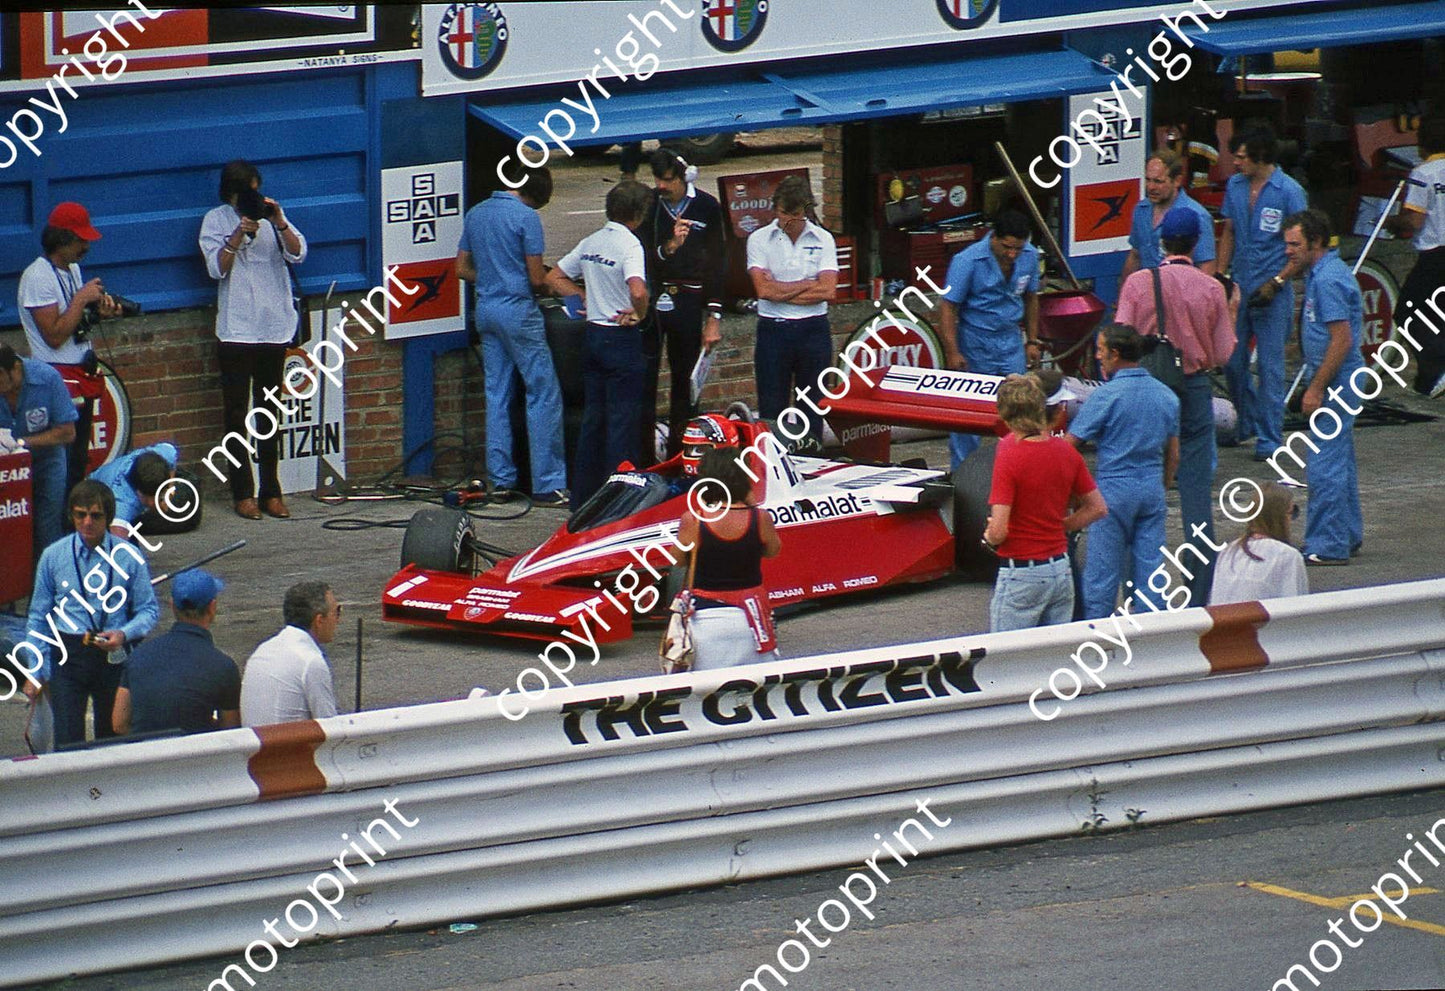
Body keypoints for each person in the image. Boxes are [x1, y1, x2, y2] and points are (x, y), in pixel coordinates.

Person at [1115, 207, 1238, 605]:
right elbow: (1222, 352)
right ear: (1197, 243)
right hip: (1194, 389)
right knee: (1197, 495)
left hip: (1147, 390)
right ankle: (1200, 594)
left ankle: (1140, 592)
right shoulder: (1212, 288)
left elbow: (1121, 341)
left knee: (1142, 487)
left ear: (1161, 241)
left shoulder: (1137, 283)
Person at [199, 159, 307, 521]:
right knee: (235, 413)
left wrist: (277, 221)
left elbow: (299, 252)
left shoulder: (273, 213)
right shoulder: (215, 220)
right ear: (230, 195)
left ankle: (271, 490)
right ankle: (242, 492)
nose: (248, 201)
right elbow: (216, 269)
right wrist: (237, 234)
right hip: (236, 329)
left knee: (270, 412)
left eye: (253, 192)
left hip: (273, 327)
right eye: (242, 195)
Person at [456, 165, 568, 507]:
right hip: (518, 312)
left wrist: (492, 279)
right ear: (538, 195)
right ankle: (548, 484)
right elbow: (537, 279)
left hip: (487, 309)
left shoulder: (476, 213)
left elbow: (461, 269)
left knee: (497, 394)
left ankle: (501, 481)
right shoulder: (526, 218)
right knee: (542, 392)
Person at [545, 181, 655, 509]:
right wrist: (640, 314)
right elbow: (637, 290)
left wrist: (582, 296)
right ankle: (618, 502)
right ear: (637, 215)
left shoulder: (591, 241)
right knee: (622, 424)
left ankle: (582, 498)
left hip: (593, 336)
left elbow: (554, 278)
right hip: (621, 338)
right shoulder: (630, 246)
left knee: (594, 420)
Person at [25, 479, 159, 748]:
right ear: (71, 515)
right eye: (80, 515)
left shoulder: (129, 556)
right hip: (69, 652)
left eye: (95, 515)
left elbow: (149, 609)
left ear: (108, 517)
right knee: (67, 739)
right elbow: (39, 616)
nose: (87, 522)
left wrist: (125, 633)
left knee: (111, 737)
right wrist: (35, 669)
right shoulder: (53, 556)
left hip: (112, 654)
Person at [1066, 325, 1181, 618]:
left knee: (1102, 574)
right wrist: (1163, 484)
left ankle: (1097, 636)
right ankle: (1153, 634)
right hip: (1152, 485)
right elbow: (1173, 452)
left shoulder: (1106, 396)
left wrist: (1075, 492)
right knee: (1151, 569)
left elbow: (1068, 447)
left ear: (1115, 355)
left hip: (1113, 489)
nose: (1099, 357)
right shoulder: (1166, 395)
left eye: (1101, 351)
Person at [982, 376, 1107, 632]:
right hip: (1060, 569)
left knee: (1008, 659)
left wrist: (988, 537)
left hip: (1022, 571)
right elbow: (1097, 508)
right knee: (1054, 659)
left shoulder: (1008, 452)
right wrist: (1062, 525)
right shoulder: (1066, 451)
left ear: (1004, 413)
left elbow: (999, 531)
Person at [1217, 126, 1308, 460]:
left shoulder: (1290, 192)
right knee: (1231, 361)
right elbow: (1228, 231)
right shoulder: (1235, 185)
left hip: (1273, 290)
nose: (1236, 163)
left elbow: (1302, 247)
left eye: (1241, 157)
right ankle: (1249, 420)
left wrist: (1279, 281)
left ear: (1261, 157)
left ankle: (1270, 436)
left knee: (1270, 368)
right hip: (1240, 286)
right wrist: (1221, 277)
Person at [17, 201, 121, 493]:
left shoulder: (73, 270)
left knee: (77, 462)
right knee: (58, 467)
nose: (85, 246)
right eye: (80, 240)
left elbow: (74, 325)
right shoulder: (37, 276)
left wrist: (97, 311)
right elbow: (54, 335)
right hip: (56, 379)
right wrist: (80, 299)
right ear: (61, 239)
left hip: (80, 374)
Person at [1284, 209, 1365, 566]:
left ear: (1315, 242)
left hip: (1337, 378)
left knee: (1324, 465)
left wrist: (1315, 389)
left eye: (1294, 244)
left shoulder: (1328, 281)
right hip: (1338, 376)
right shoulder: (1323, 274)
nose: (1288, 251)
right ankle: (1347, 534)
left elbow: (1340, 340)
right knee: (1339, 461)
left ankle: (1327, 544)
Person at [637, 147, 726, 464]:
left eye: (668, 180)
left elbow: (718, 262)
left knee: (685, 384)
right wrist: (670, 247)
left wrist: (714, 315)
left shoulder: (706, 206)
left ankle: (682, 456)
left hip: (689, 299)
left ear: (683, 176)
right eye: (657, 179)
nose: (662, 186)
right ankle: (646, 459)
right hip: (655, 299)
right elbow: (643, 254)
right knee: (645, 380)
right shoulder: (649, 205)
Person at [938, 209, 1042, 468]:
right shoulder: (967, 260)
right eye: (1007, 247)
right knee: (968, 414)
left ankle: (1021, 468)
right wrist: (952, 351)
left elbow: (1031, 297)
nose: (1012, 254)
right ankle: (963, 473)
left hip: (1010, 341)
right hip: (975, 342)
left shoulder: (1029, 256)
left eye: (1018, 248)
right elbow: (948, 306)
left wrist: (1032, 340)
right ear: (994, 237)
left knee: (1021, 408)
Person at [746, 175, 839, 438]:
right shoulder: (759, 239)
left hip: (813, 329)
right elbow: (764, 291)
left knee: (811, 406)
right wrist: (807, 284)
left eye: (795, 214)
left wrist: (782, 290)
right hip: (774, 329)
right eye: (783, 212)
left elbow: (828, 290)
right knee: (771, 407)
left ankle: (812, 462)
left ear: (805, 211)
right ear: (775, 208)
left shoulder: (823, 239)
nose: (788, 220)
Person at [675, 447, 782, 669]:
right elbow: (773, 551)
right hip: (752, 620)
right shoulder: (760, 518)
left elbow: (678, 561)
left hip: (706, 621)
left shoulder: (693, 520)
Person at [112, 569, 240, 737]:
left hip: (146, 756)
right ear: (212, 607)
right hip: (195, 758)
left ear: (172, 606)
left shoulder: (138, 657)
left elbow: (119, 724)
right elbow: (230, 731)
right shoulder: (223, 667)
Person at [1386, 113, 1445, 397]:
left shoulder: (1424, 174)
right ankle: (1427, 379)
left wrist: (1390, 222)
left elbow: (1414, 222)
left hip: (1435, 255)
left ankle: (1436, 370)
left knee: (1407, 312)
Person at [0, 344, 78, 553]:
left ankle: (53, 578)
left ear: (16, 367)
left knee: (48, 525)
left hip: (46, 461)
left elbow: (67, 432)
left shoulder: (47, 378)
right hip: (6, 468)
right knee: (9, 526)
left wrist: (22, 443)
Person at [240, 581, 341, 725]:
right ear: (319, 620)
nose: (337, 620)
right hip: (288, 746)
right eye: (336, 612)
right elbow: (330, 728)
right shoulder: (310, 661)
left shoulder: (262, 651)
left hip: (255, 744)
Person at [1120, 149, 1218, 280]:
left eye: (1158, 181)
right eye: (1148, 180)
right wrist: (1124, 294)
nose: (1151, 187)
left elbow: (1207, 266)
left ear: (1177, 181)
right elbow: (1135, 255)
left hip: (1180, 292)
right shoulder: (1141, 210)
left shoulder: (1197, 215)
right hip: (1146, 293)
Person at [1210, 483, 1308, 604]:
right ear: (1280, 517)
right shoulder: (1288, 556)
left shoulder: (1228, 552)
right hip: (1262, 622)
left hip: (1225, 621)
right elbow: (1295, 608)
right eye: (1292, 512)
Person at [89, 441, 179, 537]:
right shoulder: (123, 506)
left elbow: (170, 451)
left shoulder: (162, 454)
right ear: (139, 493)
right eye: (156, 498)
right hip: (93, 499)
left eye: (161, 494)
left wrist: (170, 488)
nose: (160, 500)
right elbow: (118, 544)